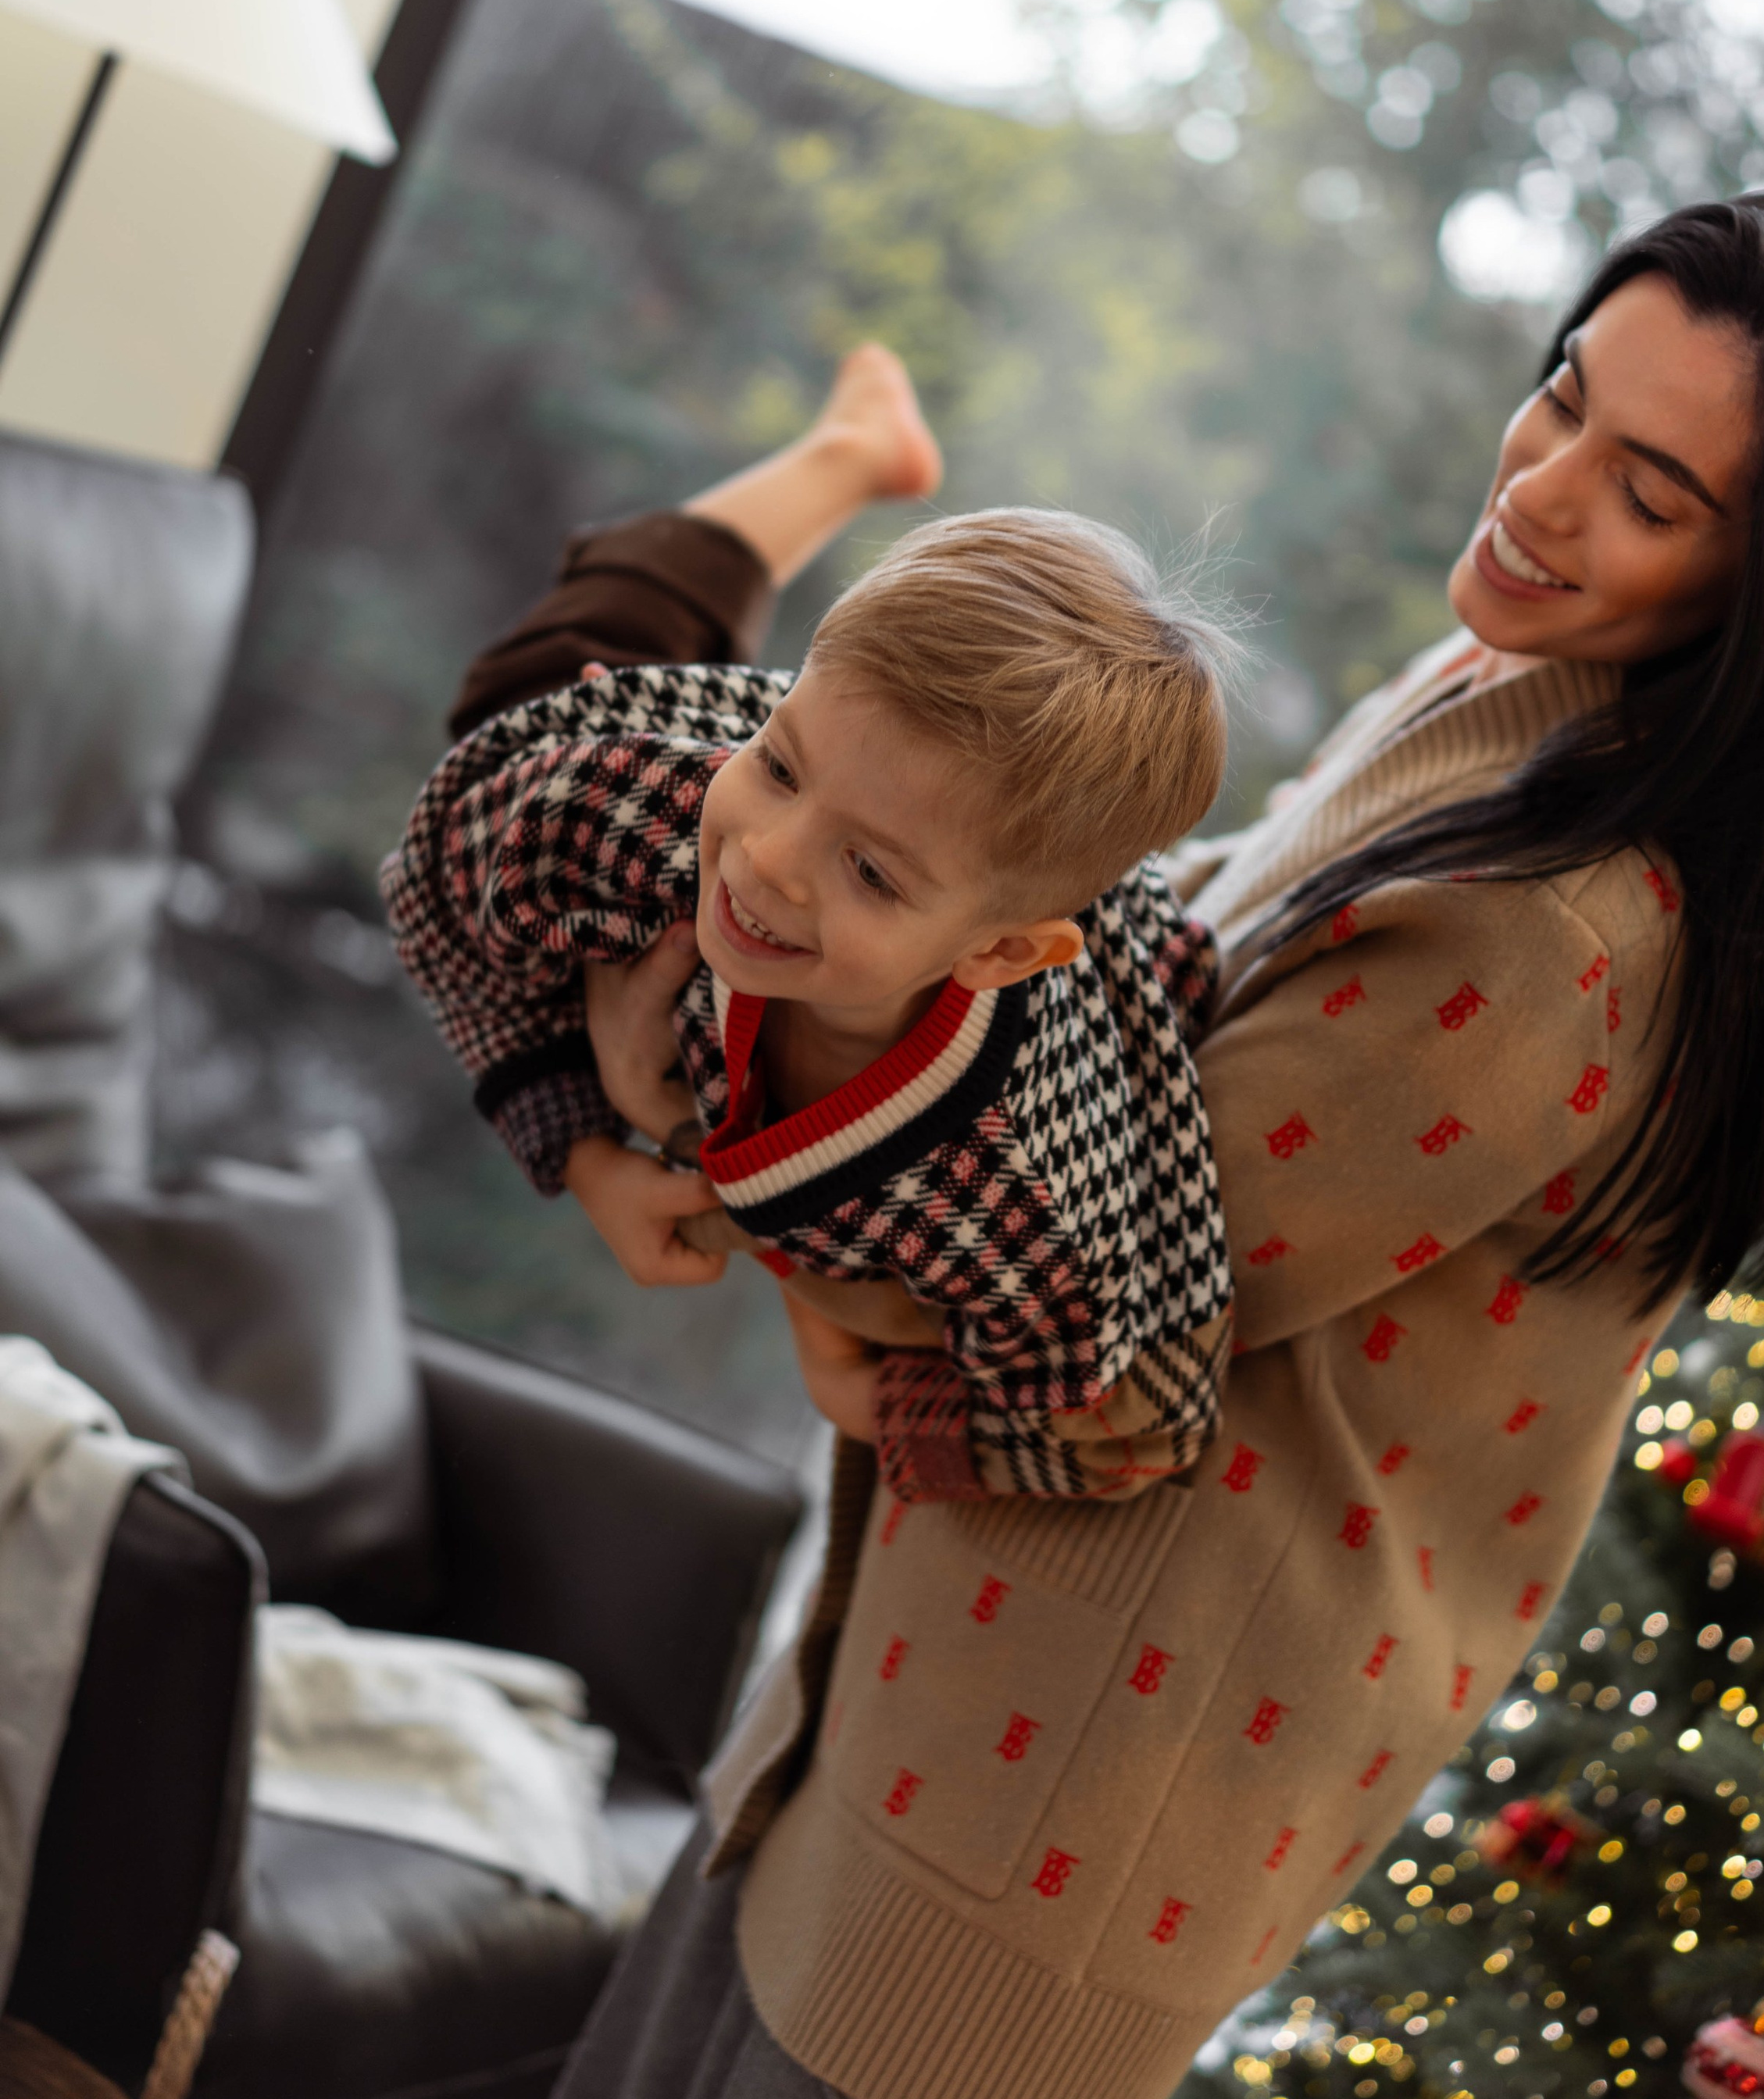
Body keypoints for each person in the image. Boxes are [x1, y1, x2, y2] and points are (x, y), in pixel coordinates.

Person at [458, 197, 1764, 2099]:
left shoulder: (1556, 938)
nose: (1538, 494)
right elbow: (1122, 986)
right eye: (1560, 401)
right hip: (891, 1694)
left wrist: (638, 1089)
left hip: (1031, 1822)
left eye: (1646, 492)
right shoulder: (1504, 695)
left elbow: (1073, 1265)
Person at [385, 476, 1243, 1505]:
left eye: (870, 872)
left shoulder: (1023, 1198)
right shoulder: (647, 805)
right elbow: (436, 884)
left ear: (1001, 956)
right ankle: (846, 455)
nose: (768, 859)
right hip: (644, 746)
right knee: (537, 671)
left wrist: (865, 1398)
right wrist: (579, 1144)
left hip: (1074, 1000)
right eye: (782, 771)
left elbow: (1136, 1432)